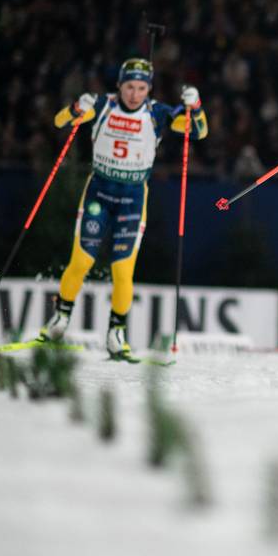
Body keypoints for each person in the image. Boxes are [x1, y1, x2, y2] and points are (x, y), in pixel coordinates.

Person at [38, 58, 208, 359]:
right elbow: (60, 121)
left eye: (141, 88)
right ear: (119, 85)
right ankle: (60, 318)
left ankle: (116, 333)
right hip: (98, 195)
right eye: (129, 87)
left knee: (122, 270)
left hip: (133, 199)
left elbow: (198, 132)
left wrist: (195, 106)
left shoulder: (156, 113)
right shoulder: (103, 105)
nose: (134, 94)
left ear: (149, 89)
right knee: (81, 261)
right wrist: (78, 107)